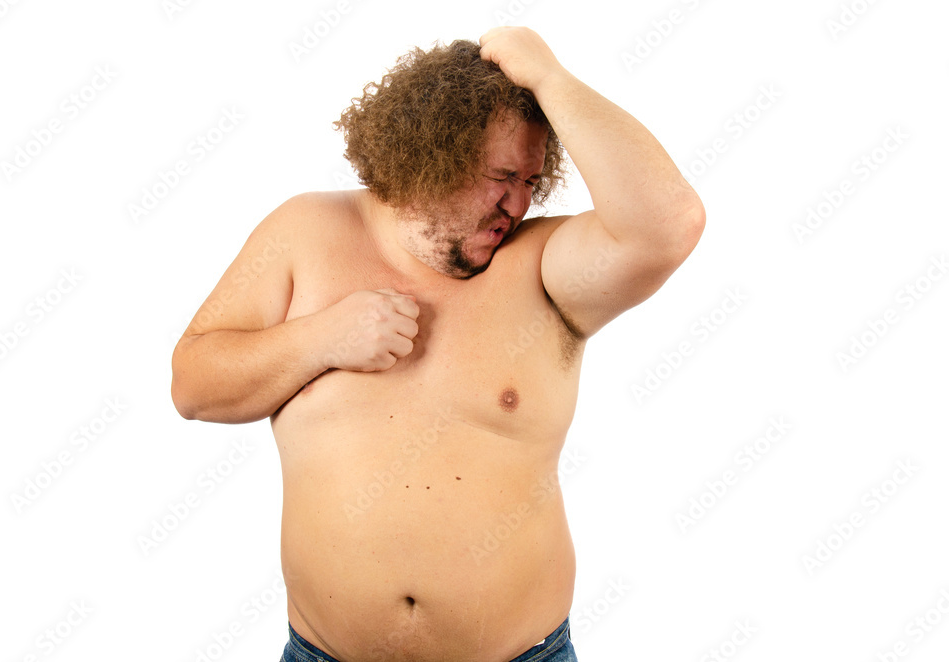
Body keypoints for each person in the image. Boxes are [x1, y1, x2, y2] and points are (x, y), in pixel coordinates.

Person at [171, 26, 704, 662]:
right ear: (432, 154)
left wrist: (549, 77)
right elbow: (192, 386)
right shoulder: (305, 232)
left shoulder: (545, 268)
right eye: (501, 175)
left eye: (531, 181)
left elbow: (669, 225)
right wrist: (320, 340)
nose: (517, 202)